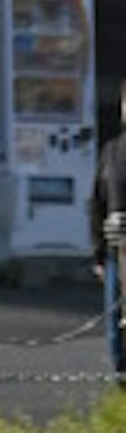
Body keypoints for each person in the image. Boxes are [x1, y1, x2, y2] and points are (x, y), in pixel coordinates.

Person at [94, 92, 126, 386]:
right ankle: (121, 383)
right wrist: (97, 254)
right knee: (115, 324)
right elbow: (97, 201)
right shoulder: (112, 151)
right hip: (116, 252)